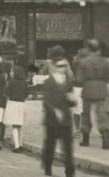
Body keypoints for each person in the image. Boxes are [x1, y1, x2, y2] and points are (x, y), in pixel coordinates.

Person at [42, 46, 76, 177]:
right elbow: (46, 101)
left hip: (66, 120)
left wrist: (72, 99)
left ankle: (69, 171)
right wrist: (55, 110)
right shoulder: (49, 82)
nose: (63, 68)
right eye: (60, 66)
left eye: (64, 66)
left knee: (68, 147)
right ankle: (48, 168)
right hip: (52, 120)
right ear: (55, 67)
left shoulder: (68, 82)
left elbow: (72, 101)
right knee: (50, 146)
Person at [75, 39, 109, 148]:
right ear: (98, 49)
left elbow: (79, 79)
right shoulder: (105, 61)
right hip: (101, 88)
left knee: (86, 115)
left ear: (89, 49)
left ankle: (86, 139)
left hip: (88, 89)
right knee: (102, 114)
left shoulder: (84, 62)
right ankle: (105, 138)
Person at [3, 64, 28, 152]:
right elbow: (26, 94)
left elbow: (6, 93)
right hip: (21, 104)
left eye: (12, 71)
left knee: (14, 126)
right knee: (19, 125)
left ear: (15, 73)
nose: (10, 72)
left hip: (13, 104)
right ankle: (20, 144)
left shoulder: (11, 82)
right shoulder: (24, 82)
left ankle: (16, 146)